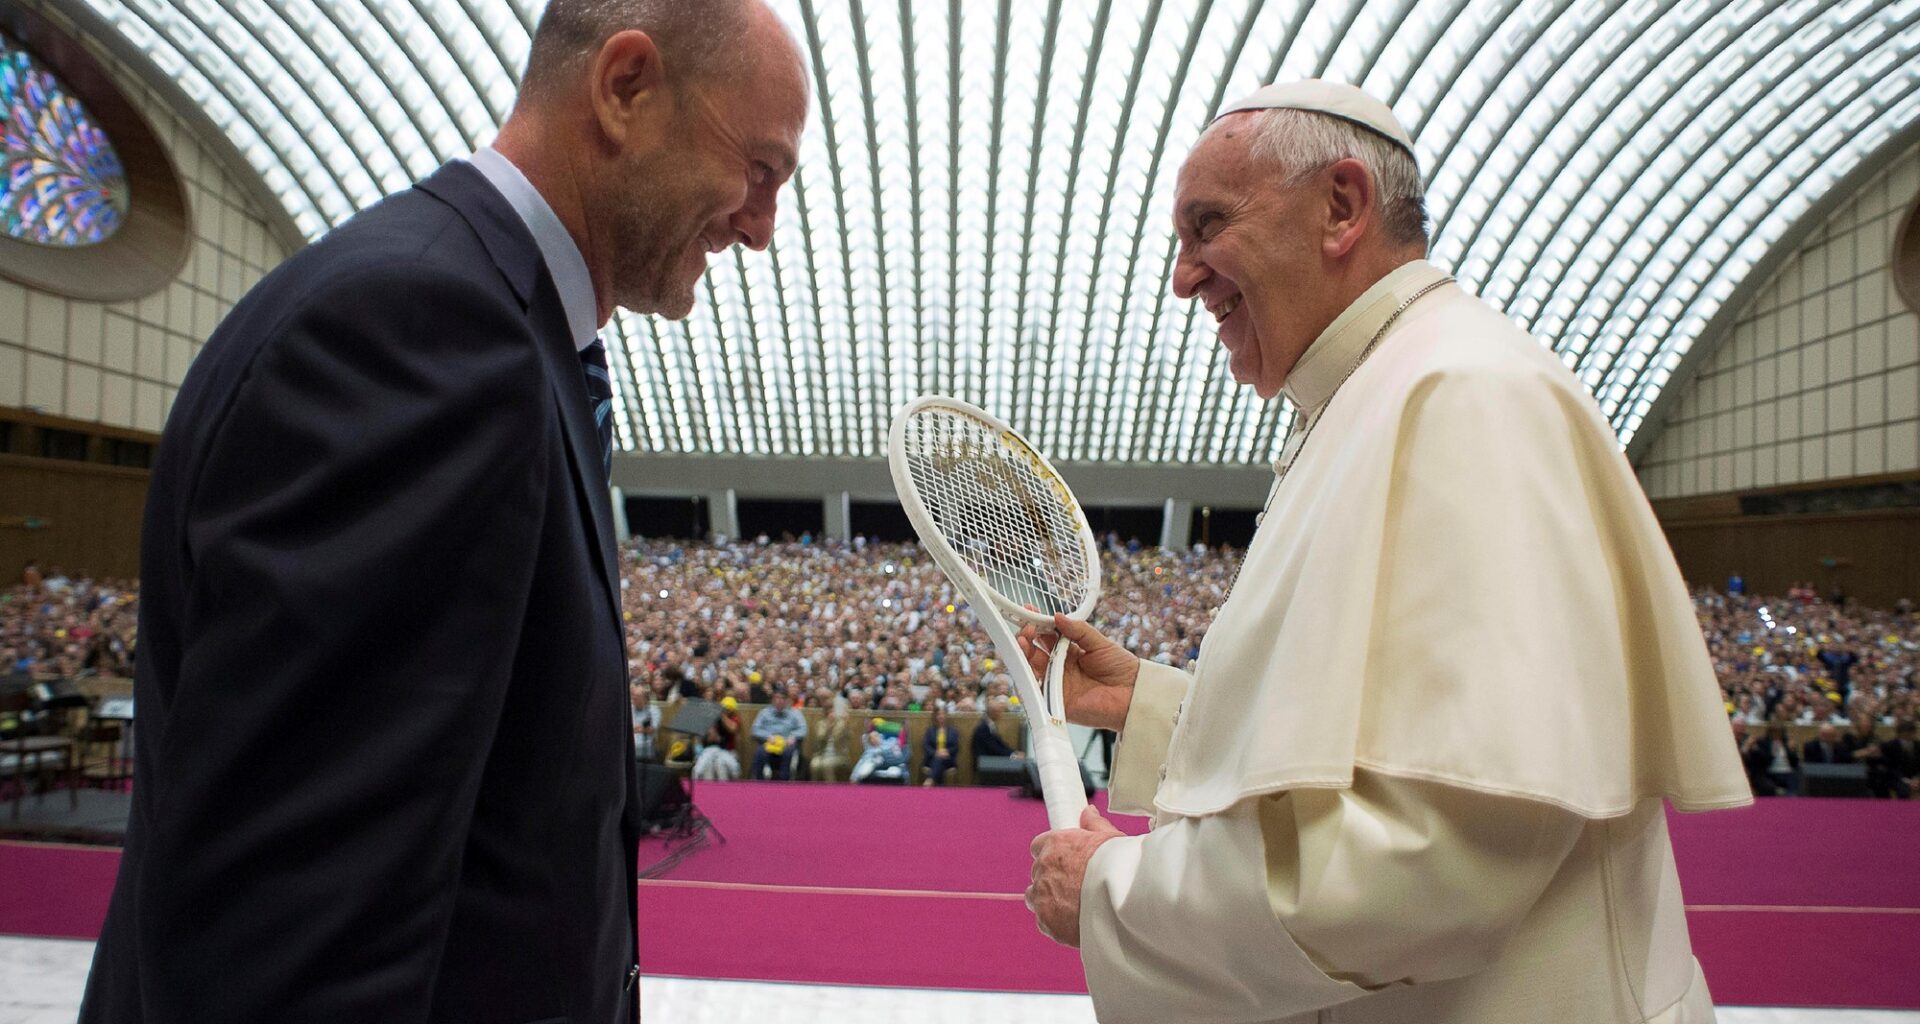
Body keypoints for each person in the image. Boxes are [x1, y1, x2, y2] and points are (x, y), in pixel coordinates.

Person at [78, 3, 809, 1021]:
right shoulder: (426, 337)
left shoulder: (474, 319)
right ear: (625, 86)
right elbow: (298, 939)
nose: (762, 226)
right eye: (761, 169)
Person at [1019, 80, 1750, 1024]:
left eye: (1208, 226)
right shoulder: (1377, 395)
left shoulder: (1465, 396)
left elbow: (1435, 858)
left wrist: (1118, 894)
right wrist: (1149, 707)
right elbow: (1381, 741)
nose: (1185, 277)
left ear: (1341, 206)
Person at [750, 689, 808, 780]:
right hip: (770, 743)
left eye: (782, 698)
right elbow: (755, 729)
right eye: (777, 698)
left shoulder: (795, 713)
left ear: (787, 700)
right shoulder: (765, 713)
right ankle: (759, 782)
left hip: (786, 744)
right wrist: (767, 736)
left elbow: (803, 729)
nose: (779, 701)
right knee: (760, 752)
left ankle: (783, 782)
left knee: (789, 753)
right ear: (773, 700)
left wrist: (793, 736)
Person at [921, 703, 960, 785]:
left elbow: (956, 747)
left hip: (948, 759)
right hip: (932, 759)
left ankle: (930, 780)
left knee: (940, 759)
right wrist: (935, 753)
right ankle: (940, 787)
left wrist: (947, 751)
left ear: (946, 715)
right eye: (939, 714)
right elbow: (926, 746)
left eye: (943, 714)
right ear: (935, 716)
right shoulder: (930, 731)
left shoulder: (953, 731)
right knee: (939, 760)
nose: (941, 716)